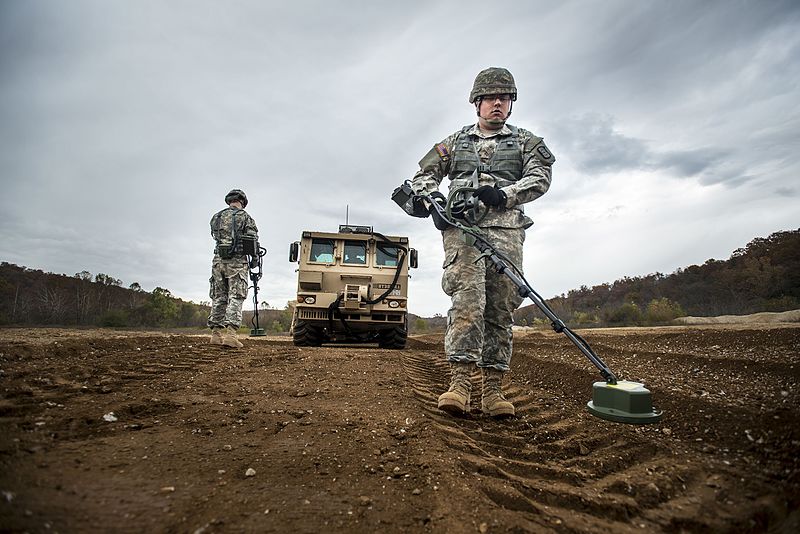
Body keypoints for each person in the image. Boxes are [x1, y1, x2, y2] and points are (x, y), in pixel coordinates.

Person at [410, 67, 555, 417]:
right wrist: (434, 203)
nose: (497, 104)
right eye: (490, 98)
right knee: (467, 305)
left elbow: (541, 177)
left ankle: (493, 391)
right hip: (462, 235)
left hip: (506, 235)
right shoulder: (455, 142)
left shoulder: (526, 142)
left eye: (504, 98)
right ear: (477, 103)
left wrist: (504, 194)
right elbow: (422, 176)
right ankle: (459, 384)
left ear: (511, 103)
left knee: (500, 309)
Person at [208, 189, 259, 348]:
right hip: (237, 262)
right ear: (242, 202)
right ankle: (231, 335)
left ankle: (215, 335)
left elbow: (215, 237)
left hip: (218, 261)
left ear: (229, 201)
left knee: (219, 297)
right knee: (236, 297)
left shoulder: (216, 217)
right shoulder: (246, 217)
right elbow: (252, 241)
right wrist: (255, 260)